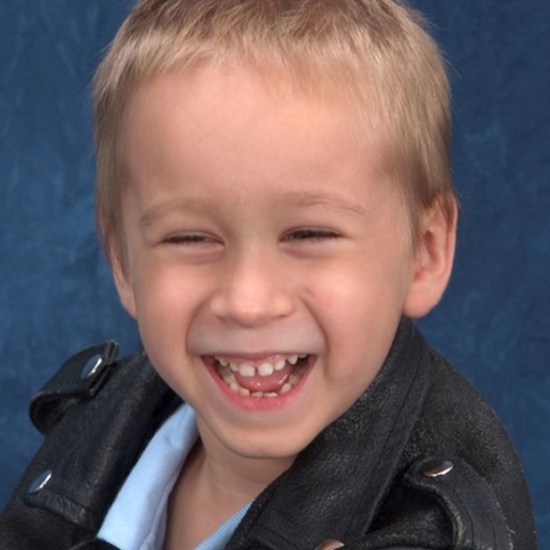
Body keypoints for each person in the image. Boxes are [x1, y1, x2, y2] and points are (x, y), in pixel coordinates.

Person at [0, 0, 538, 548]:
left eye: (309, 235)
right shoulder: (99, 425)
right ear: (122, 259)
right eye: (191, 238)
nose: (248, 301)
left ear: (424, 250)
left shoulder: (438, 526)